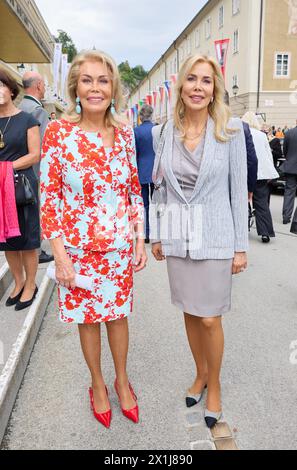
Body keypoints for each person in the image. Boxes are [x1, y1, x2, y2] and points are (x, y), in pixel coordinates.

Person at [40, 50, 147, 429]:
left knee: (117, 318)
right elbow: (49, 196)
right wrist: (58, 253)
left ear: (113, 87)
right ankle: (97, 384)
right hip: (78, 251)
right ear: (76, 87)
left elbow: (134, 190)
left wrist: (138, 238)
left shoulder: (124, 135)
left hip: (118, 248)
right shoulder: (59, 133)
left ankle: (121, 380)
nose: (96, 87)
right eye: (87, 80)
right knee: (88, 321)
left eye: (103, 80)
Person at [151, 54, 248, 429]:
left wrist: (241, 246)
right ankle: (200, 373)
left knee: (210, 317)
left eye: (206, 81)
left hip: (216, 236)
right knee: (190, 312)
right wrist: (157, 233)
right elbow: (159, 186)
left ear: (214, 89)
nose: (197, 87)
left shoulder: (231, 130)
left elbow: (238, 192)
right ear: (181, 86)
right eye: (191, 79)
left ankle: (216, 385)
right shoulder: (165, 132)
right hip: (176, 236)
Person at [0, 68, 40, 310]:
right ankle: (18, 282)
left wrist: (6, 168)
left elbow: (35, 155)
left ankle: (31, 284)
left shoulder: (27, 119)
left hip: (21, 187)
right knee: (6, 240)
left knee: (26, 240)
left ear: (11, 89)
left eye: (1, 86)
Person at [18, 71, 53, 264]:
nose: (45, 88)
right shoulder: (38, 110)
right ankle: (37, 251)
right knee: (35, 211)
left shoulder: (21, 106)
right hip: (35, 169)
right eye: (44, 85)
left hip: (20, 168)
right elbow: (44, 146)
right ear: (38, 85)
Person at [241, 112, 278, 243]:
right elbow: (268, 155)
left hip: (244, 173)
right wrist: (271, 173)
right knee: (262, 203)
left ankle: (242, 229)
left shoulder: (240, 133)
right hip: (261, 174)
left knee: (243, 201)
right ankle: (265, 232)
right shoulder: (262, 135)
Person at [134, 104, 156, 243]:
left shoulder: (135, 131)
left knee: (144, 204)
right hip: (156, 170)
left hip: (141, 170)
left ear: (141, 117)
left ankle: (146, 233)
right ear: (151, 115)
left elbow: (134, 153)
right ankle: (157, 232)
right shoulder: (157, 129)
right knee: (157, 203)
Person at [280, 119, 297, 224]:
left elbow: (285, 151)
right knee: (289, 192)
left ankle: (286, 217)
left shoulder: (289, 133)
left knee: (289, 192)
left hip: (290, 167)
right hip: (291, 166)